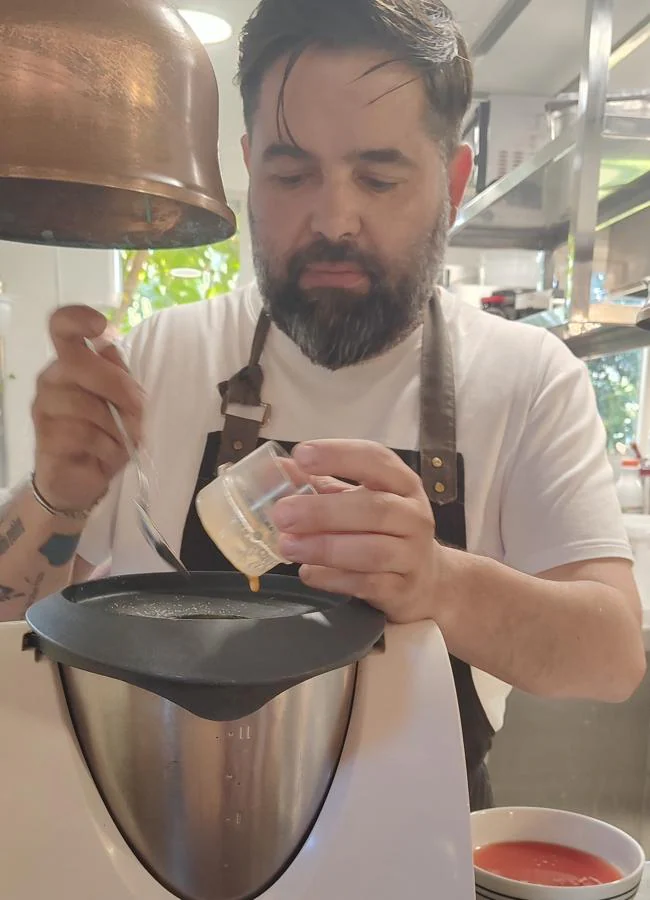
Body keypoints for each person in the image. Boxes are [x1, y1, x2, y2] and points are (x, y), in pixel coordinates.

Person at [0, 0, 644, 809]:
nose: (334, 219)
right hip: (170, 834)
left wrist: (437, 581)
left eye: (379, 176)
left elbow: (612, 656)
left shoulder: (527, 379)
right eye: (291, 174)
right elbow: (23, 627)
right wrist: (56, 496)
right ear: (248, 164)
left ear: (452, 181)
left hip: (419, 847)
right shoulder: (164, 357)